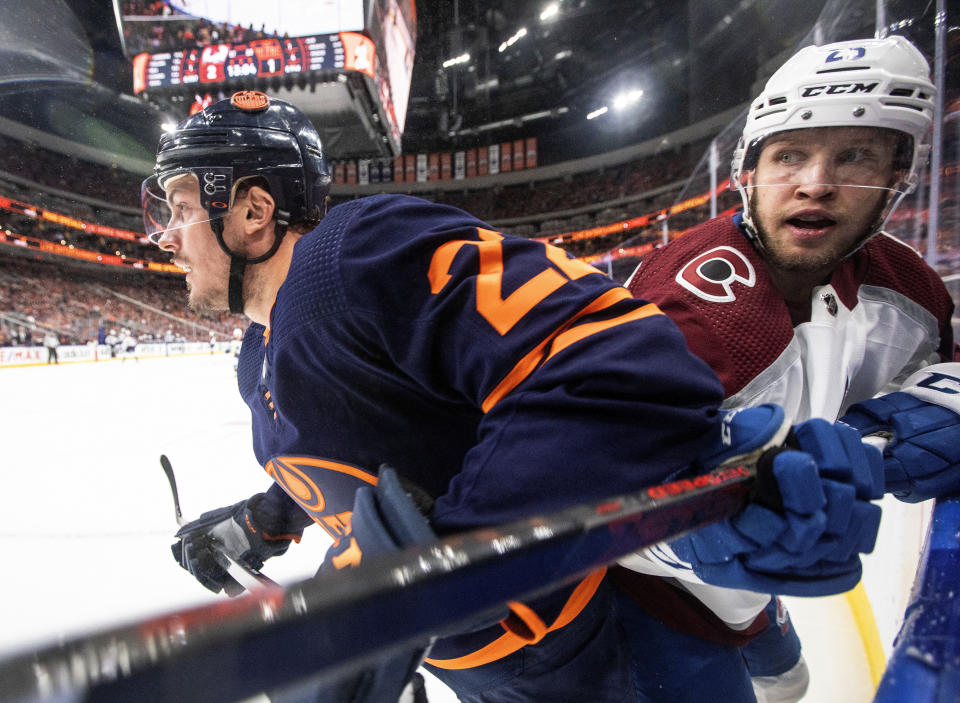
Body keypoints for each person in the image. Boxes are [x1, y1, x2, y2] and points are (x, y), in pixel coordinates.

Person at [145, 91, 885, 703]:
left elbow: (616, 357)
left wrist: (419, 580)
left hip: (597, 651)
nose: (165, 237)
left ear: (251, 211)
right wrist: (264, 517)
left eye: (178, 206)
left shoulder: (356, 255)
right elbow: (387, 457)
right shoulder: (259, 352)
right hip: (480, 666)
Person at [620, 36, 959, 703]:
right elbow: (586, 487)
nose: (816, 183)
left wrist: (890, 435)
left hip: (753, 588)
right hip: (655, 596)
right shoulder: (684, 310)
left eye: (855, 155)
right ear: (748, 171)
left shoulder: (910, 287)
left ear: (897, 176)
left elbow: (943, 381)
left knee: (793, 684)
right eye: (791, 156)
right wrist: (696, 528)